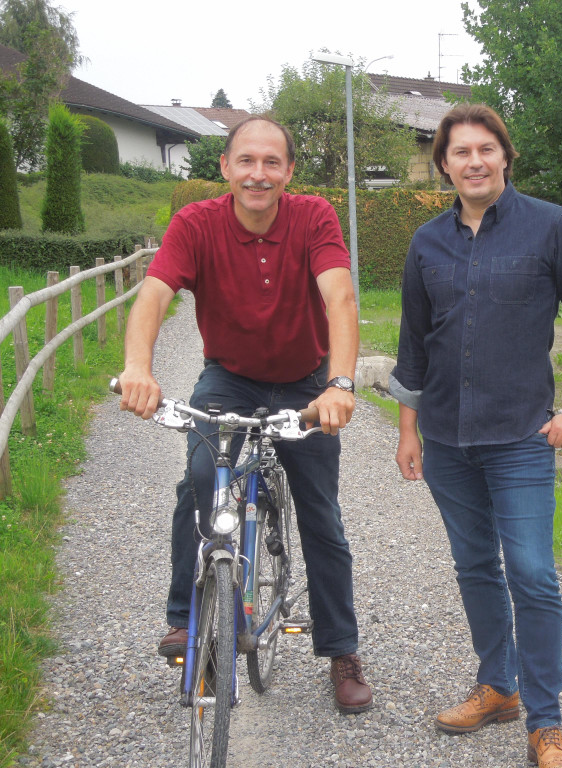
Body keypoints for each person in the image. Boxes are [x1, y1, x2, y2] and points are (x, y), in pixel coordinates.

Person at [117, 115, 372, 714]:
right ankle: (186, 619)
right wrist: (137, 368)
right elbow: (155, 292)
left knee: (321, 515)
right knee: (199, 482)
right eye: (247, 161)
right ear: (226, 167)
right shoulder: (195, 223)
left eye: (272, 162)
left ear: (289, 172)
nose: (259, 174)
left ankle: (342, 650)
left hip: (305, 382)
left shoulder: (313, 217)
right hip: (229, 378)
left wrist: (339, 384)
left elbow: (339, 296)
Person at [390, 103, 562, 768]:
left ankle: (546, 725)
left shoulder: (552, 226)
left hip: (520, 436)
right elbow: (413, 343)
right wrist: (408, 429)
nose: (475, 161)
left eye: (486, 149)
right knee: (474, 566)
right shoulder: (426, 243)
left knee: (533, 574)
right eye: (461, 152)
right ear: (444, 165)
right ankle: (498, 686)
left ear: (506, 157)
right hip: (446, 440)